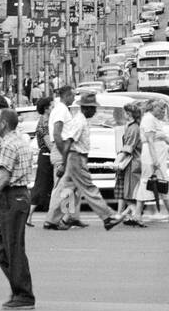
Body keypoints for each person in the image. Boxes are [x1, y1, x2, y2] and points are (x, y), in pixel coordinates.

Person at [43, 91, 125, 231]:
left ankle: (53, 219)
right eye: (93, 108)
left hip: (76, 158)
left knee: (66, 189)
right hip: (76, 158)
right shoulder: (79, 121)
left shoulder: (81, 120)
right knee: (89, 188)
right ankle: (107, 216)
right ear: (86, 108)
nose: (95, 111)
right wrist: (64, 163)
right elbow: (68, 142)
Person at [0, 109, 37, 310]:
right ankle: (19, 287)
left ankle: (23, 294)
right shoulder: (19, 140)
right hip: (19, 196)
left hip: (12, 197)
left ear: (4, 124)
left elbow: (3, 177)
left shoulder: (8, 144)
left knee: (12, 248)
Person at [133, 98, 169, 221]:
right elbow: (150, 140)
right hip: (152, 157)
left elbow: (159, 139)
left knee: (151, 183)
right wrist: (155, 159)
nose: (162, 111)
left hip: (156, 156)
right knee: (157, 183)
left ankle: (138, 214)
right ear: (153, 107)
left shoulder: (152, 119)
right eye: (160, 108)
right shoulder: (149, 119)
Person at [46, 86, 78, 225]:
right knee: (60, 188)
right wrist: (64, 159)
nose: (74, 98)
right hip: (61, 150)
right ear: (66, 96)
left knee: (67, 187)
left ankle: (66, 217)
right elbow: (57, 134)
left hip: (64, 149)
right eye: (72, 95)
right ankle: (52, 219)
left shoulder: (63, 109)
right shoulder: (61, 110)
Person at [115, 102, 143, 224]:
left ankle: (133, 214)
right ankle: (127, 215)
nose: (124, 115)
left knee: (130, 192)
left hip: (132, 163)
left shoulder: (133, 128)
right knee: (128, 192)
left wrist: (116, 161)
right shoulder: (132, 127)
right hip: (131, 162)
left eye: (125, 112)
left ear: (129, 114)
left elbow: (128, 148)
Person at [28, 97, 55, 223]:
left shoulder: (48, 121)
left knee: (51, 188)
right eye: (51, 106)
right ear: (46, 108)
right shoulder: (44, 123)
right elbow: (49, 143)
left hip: (48, 156)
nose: (53, 108)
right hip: (46, 157)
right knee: (41, 188)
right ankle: (27, 215)